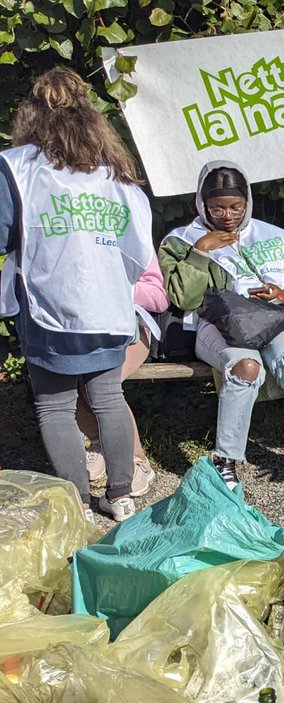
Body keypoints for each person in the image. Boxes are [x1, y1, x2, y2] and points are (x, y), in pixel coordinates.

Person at [0, 67, 157, 522]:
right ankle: (122, 495)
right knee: (108, 398)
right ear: (91, 119)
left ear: (31, 115)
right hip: (108, 306)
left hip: (49, 305)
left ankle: (81, 503)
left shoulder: (17, 167)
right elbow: (138, 246)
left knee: (54, 405)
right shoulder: (115, 173)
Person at [158, 161, 284, 489]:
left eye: (236, 207)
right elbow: (183, 298)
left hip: (273, 318)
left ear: (248, 201)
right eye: (218, 208)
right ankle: (226, 458)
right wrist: (200, 252)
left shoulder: (275, 236)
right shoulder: (181, 241)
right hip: (218, 324)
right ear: (202, 203)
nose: (228, 216)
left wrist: (283, 293)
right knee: (246, 367)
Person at [76, 255, 167, 499]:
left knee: (102, 385)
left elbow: (158, 298)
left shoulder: (132, 237)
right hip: (82, 328)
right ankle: (100, 443)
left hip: (132, 330)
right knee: (63, 379)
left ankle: (136, 460)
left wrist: (112, 288)